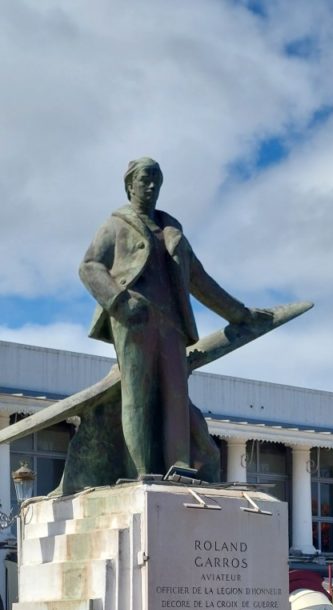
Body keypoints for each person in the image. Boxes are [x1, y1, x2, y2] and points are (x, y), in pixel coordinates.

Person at [79, 157, 266, 477]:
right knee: (137, 396)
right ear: (129, 186)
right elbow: (89, 267)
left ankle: (179, 467)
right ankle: (141, 470)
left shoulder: (171, 232)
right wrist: (121, 301)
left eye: (157, 180)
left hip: (172, 324)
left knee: (176, 398)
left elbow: (200, 281)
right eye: (144, 179)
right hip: (134, 319)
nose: (152, 186)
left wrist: (240, 314)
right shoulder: (114, 225)